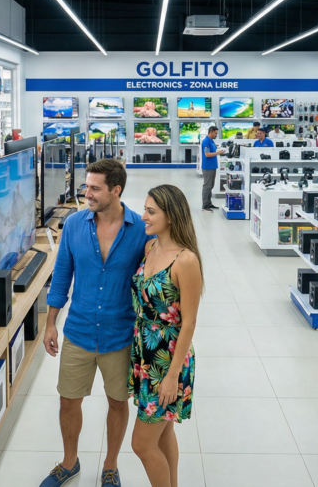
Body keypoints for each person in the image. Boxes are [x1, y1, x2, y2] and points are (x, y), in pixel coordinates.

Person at [42, 158, 153, 487]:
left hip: (121, 333)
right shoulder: (75, 225)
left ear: (115, 190)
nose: (86, 193)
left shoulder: (140, 229)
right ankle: (69, 461)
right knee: (68, 400)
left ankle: (110, 465)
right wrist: (51, 323)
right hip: (78, 329)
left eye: (94, 188)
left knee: (118, 402)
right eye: (85, 186)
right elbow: (62, 276)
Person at [129, 184, 201, 487]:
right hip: (145, 354)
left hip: (168, 361)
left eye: (151, 211)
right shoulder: (150, 247)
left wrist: (172, 377)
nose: (143, 216)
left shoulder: (185, 260)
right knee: (164, 431)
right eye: (145, 209)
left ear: (170, 216)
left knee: (142, 444)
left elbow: (189, 323)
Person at [200, 126, 220, 213]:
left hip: (212, 166)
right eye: (215, 133)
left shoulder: (211, 141)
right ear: (211, 132)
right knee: (207, 186)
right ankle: (204, 206)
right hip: (207, 167)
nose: (216, 135)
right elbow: (207, 154)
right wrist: (218, 152)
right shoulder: (206, 141)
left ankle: (209, 203)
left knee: (211, 186)